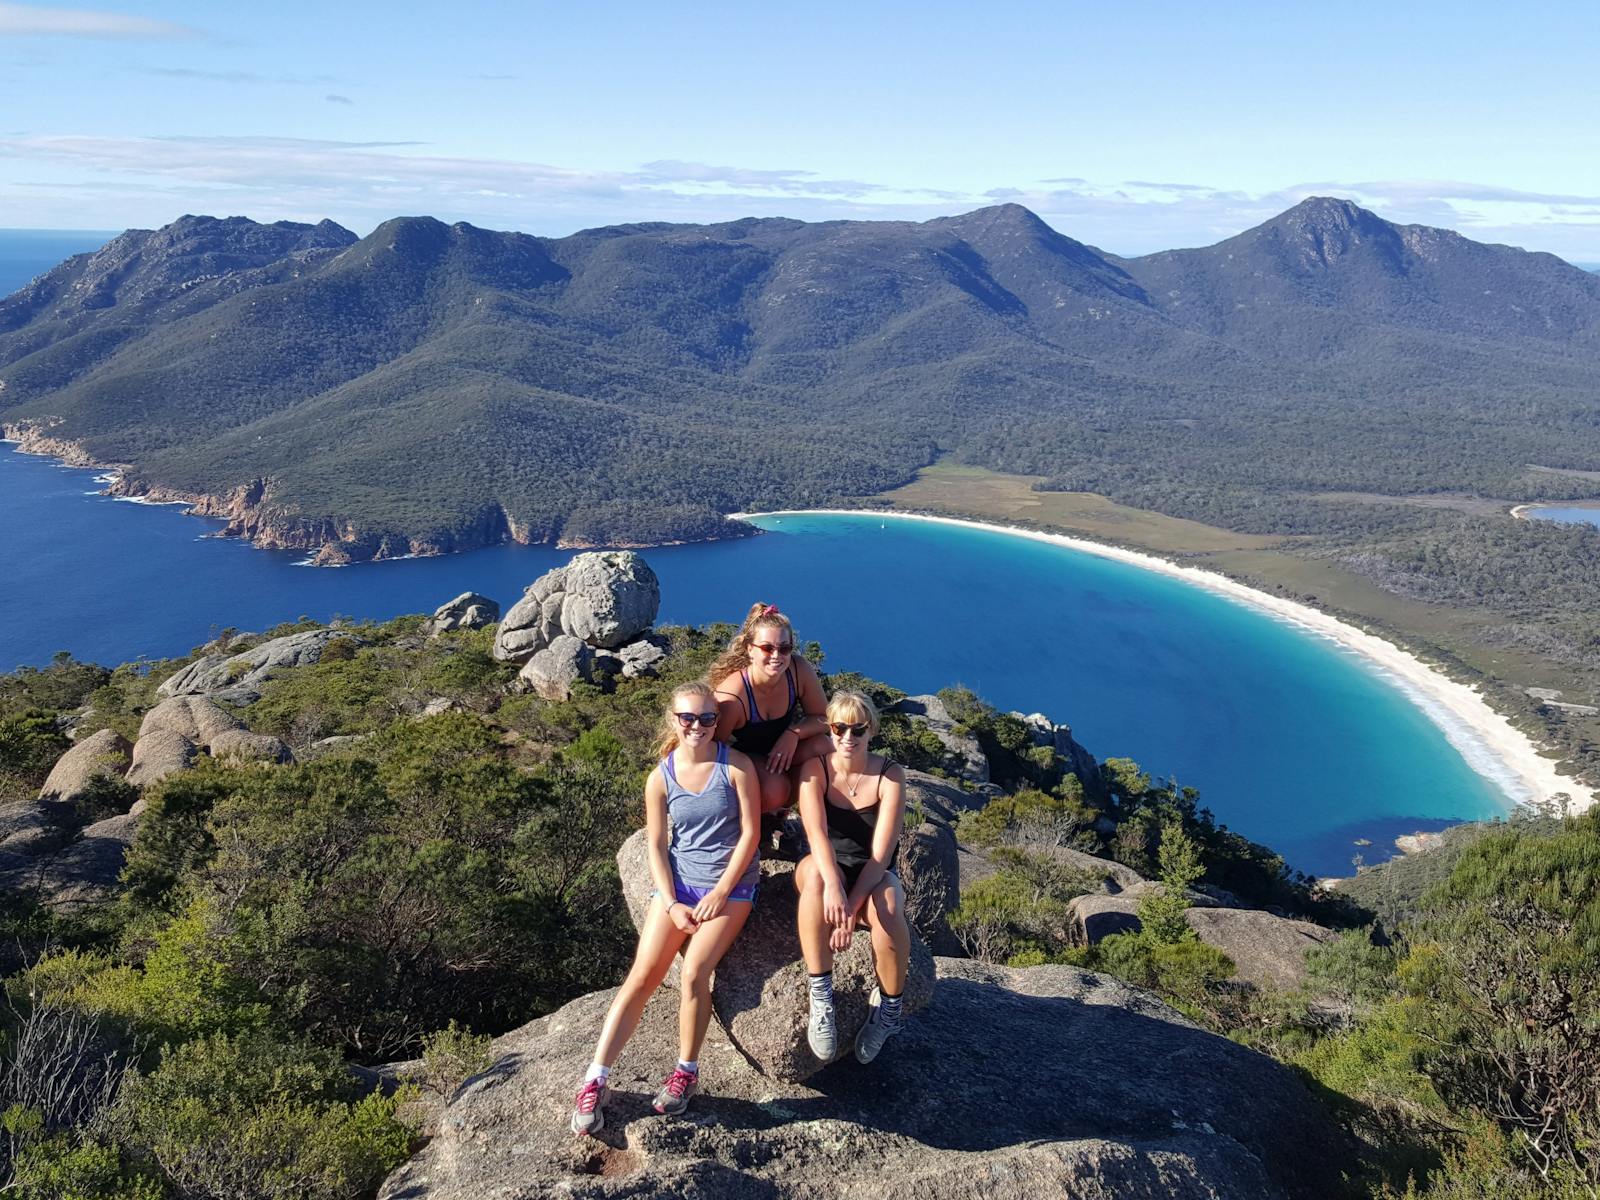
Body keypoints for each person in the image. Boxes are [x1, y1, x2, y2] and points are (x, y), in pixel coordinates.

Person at [570, 681, 761, 1135]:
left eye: (707, 718)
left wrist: (720, 891)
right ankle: (595, 1078)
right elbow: (657, 844)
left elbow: (751, 835)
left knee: (694, 972)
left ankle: (685, 1071)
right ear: (674, 720)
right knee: (641, 977)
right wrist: (671, 902)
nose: (697, 726)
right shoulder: (661, 777)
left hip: (731, 890)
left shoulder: (736, 768)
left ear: (718, 722)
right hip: (679, 888)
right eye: (688, 718)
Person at [792, 690, 912, 1064]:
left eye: (857, 729)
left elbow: (881, 855)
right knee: (813, 873)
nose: (847, 736)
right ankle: (821, 995)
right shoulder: (816, 770)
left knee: (890, 904)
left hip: (871, 873)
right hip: (826, 867)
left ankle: (890, 1010)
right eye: (839, 727)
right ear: (829, 729)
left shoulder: (890, 776)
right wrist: (833, 888)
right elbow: (815, 835)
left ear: (871, 730)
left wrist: (851, 906)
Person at [709, 603, 830, 816]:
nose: (777, 656)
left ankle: (789, 813)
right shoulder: (733, 697)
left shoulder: (798, 670)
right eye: (767, 648)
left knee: (825, 747)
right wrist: (748, 769)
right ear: (750, 650)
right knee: (776, 788)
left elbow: (824, 717)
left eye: (784, 648)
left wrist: (793, 733)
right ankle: (757, 819)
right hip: (744, 758)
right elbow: (712, 751)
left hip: (781, 752)